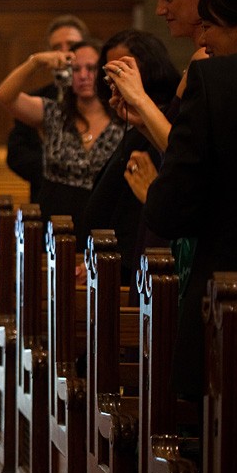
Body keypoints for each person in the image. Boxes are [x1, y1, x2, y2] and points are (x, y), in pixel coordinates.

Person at [144, 52, 237, 401]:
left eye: (209, 25)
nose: (203, 40)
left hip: (223, 290)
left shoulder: (215, 78)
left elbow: (169, 210)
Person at [107, 0, 233, 154]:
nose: (159, 10)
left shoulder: (207, 60)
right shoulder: (200, 58)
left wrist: (139, 98)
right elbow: (173, 147)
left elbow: (191, 156)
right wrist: (143, 120)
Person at [79, 30, 179, 284]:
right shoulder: (137, 123)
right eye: (110, 74)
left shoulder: (167, 119)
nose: (114, 82)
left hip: (133, 265)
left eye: (122, 71)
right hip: (111, 263)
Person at [0, 38, 124, 229]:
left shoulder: (121, 118)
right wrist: (36, 62)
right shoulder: (54, 113)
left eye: (91, 68)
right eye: (76, 69)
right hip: (56, 220)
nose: (83, 75)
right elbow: (5, 96)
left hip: (105, 223)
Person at [5, 15, 89, 203]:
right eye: (56, 48)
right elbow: (17, 155)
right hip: (47, 197)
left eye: (72, 45)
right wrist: (58, 169)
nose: (63, 54)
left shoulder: (100, 98)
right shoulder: (38, 100)